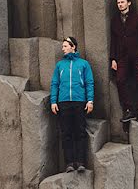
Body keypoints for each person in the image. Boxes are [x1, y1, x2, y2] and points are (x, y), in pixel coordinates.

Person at [50, 36, 95, 174]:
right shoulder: (60, 65)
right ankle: (69, 163)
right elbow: (55, 84)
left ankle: (81, 162)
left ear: (73, 46)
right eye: (63, 46)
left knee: (80, 132)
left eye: (65, 46)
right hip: (63, 103)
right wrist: (53, 101)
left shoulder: (83, 64)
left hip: (79, 101)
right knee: (66, 133)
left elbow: (89, 82)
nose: (63, 49)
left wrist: (90, 100)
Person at [110, 0, 138, 124]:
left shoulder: (137, 19)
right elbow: (113, 41)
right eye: (118, 3)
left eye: (122, 2)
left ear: (129, 3)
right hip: (122, 57)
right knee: (120, 80)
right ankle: (128, 110)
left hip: (137, 56)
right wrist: (113, 59)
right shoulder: (115, 20)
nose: (120, 5)